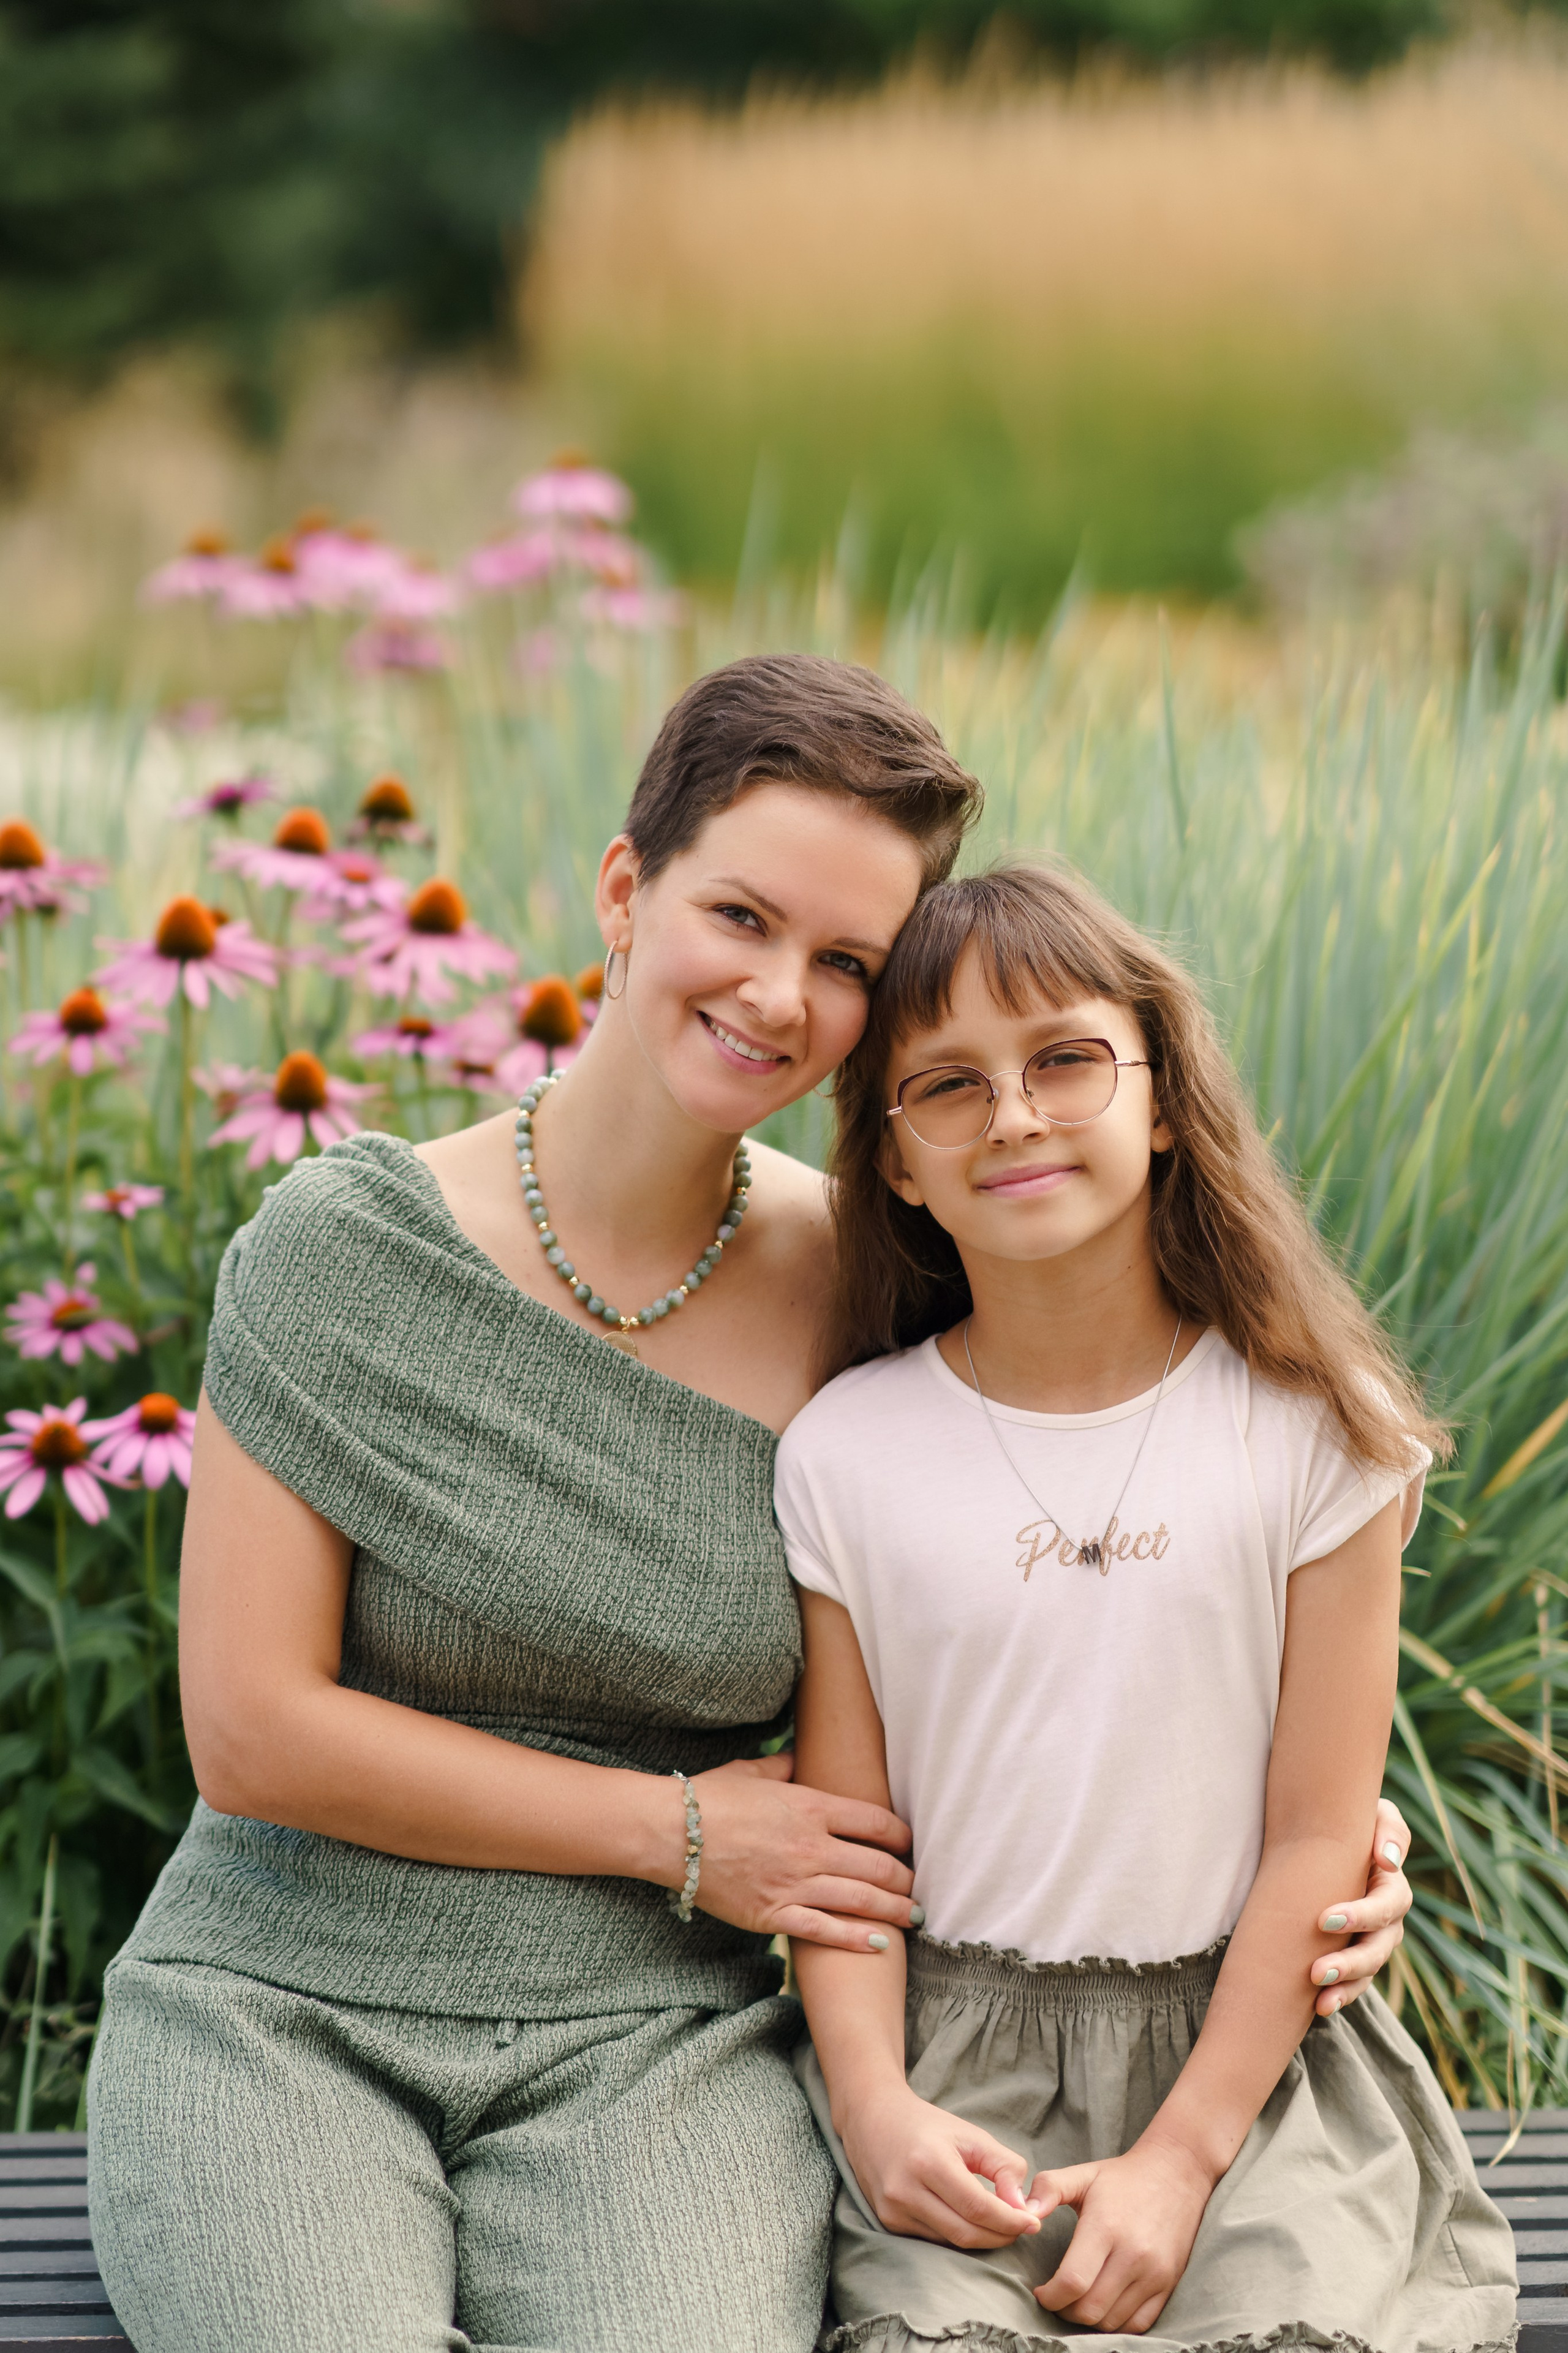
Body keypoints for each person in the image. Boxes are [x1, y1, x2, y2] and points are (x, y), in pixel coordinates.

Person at [89, 664, 1418, 2353]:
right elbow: (253, 1733)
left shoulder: (874, 1291)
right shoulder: (338, 1256)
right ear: (626, 893)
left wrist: (1336, 1839)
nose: (783, 996)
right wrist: (687, 1835)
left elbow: (1060, 1574)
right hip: (283, 2004)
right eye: (742, 914)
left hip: (661, 2038)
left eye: (850, 963)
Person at [778, 863, 1517, 2352]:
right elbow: (848, 1854)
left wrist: (1179, 2160)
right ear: (897, 1162)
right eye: (947, 1085)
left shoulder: (1318, 1427)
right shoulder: (846, 1451)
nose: (1016, 1113)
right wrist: (872, 2108)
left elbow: (1319, 1829)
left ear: (1163, 1095)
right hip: (952, 2064)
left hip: (1251, 2068)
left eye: (1064, 1057)